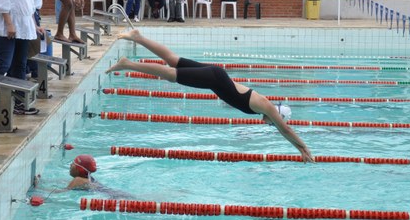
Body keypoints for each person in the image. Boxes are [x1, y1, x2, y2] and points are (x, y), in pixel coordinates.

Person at [106, 30, 314, 163]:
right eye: (273, 123)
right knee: (171, 74)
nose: (270, 125)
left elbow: (282, 129)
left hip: (216, 76)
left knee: (172, 60)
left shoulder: (263, 106)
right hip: (214, 78)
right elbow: (284, 129)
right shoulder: (266, 106)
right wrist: (304, 148)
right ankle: (128, 64)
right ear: (278, 115)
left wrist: (299, 149)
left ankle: (138, 37)